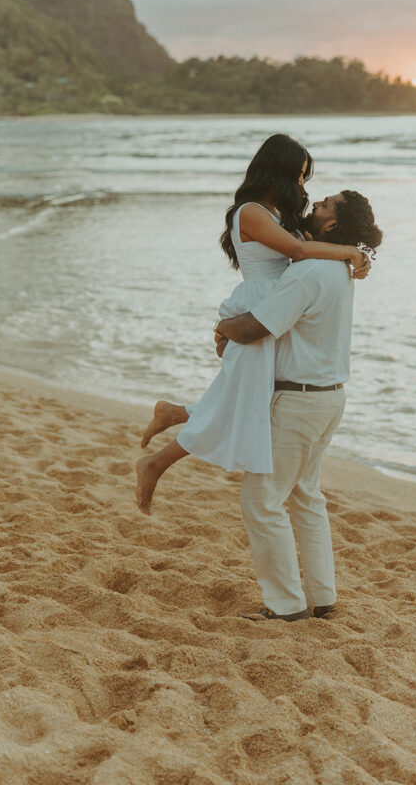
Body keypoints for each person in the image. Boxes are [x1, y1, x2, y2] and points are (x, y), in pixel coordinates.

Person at [135, 134, 370, 513]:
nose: (302, 187)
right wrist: (351, 252)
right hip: (258, 309)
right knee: (243, 400)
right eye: (298, 177)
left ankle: (173, 417)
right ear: (275, 172)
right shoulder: (251, 212)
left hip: (277, 308)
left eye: (304, 179)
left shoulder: (280, 217)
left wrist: (359, 259)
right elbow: (298, 251)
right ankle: (155, 461)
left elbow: (311, 251)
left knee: (246, 398)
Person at [213, 190, 382, 622]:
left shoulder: (308, 272)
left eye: (323, 205)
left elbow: (257, 327)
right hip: (328, 399)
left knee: (261, 500)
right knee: (306, 496)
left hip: (298, 402)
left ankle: (286, 606)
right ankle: (323, 596)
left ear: (329, 226)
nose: (314, 207)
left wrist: (223, 326)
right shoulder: (339, 269)